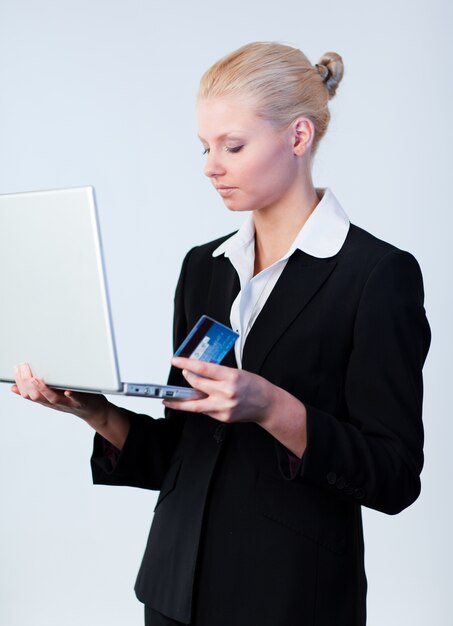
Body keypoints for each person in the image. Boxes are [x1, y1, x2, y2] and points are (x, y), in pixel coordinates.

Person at [12, 42, 431, 626]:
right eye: (206, 147)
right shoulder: (203, 267)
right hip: (173, 593)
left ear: (298, 136)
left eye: (232, 146)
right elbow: (180, 454)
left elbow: (394, 476)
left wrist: (271, 407)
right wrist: (93, 410)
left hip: (290, 602)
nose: (211, 165)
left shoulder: (377, 275)